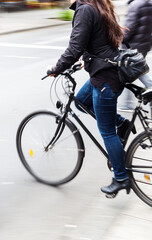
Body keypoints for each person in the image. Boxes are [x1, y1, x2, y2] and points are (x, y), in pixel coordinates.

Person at [48, 0, 134, 195]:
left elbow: (74, 46)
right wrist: (85, 59)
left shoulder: (85, 9)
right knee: (81, 102)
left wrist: (57, 68)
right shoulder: (98, 5)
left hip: (105, 78)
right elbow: (99, 40)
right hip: (107, 71)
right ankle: (122, 124)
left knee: (107, 132)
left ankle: (120, 178)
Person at [119, 0, 152, 110]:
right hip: (143, 44)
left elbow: (129, 28)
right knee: (137, 71)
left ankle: (127, 103)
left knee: (128, 73)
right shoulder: (149, 3)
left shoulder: (135, 4)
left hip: (133, 46)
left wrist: (119, 38)